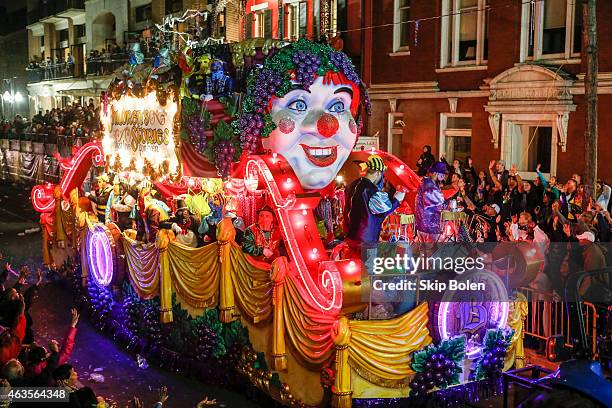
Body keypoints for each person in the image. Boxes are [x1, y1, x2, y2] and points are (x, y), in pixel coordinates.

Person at [344, 155, 405, 245]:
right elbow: (383, 211)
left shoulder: (353, 184)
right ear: (378, 173)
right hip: (366, 241)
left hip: (350, 237)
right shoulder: (371, 190)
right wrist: (397, 200)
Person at [415, 162, 448, 242]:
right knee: (430, 248)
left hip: (425, 221)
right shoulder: (429, 185)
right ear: (436, 173)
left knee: (426, 249)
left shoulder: (429, 183)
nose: (443, 177)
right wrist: (448, 204)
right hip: (428, 223)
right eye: (442, 174)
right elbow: (439, 200)